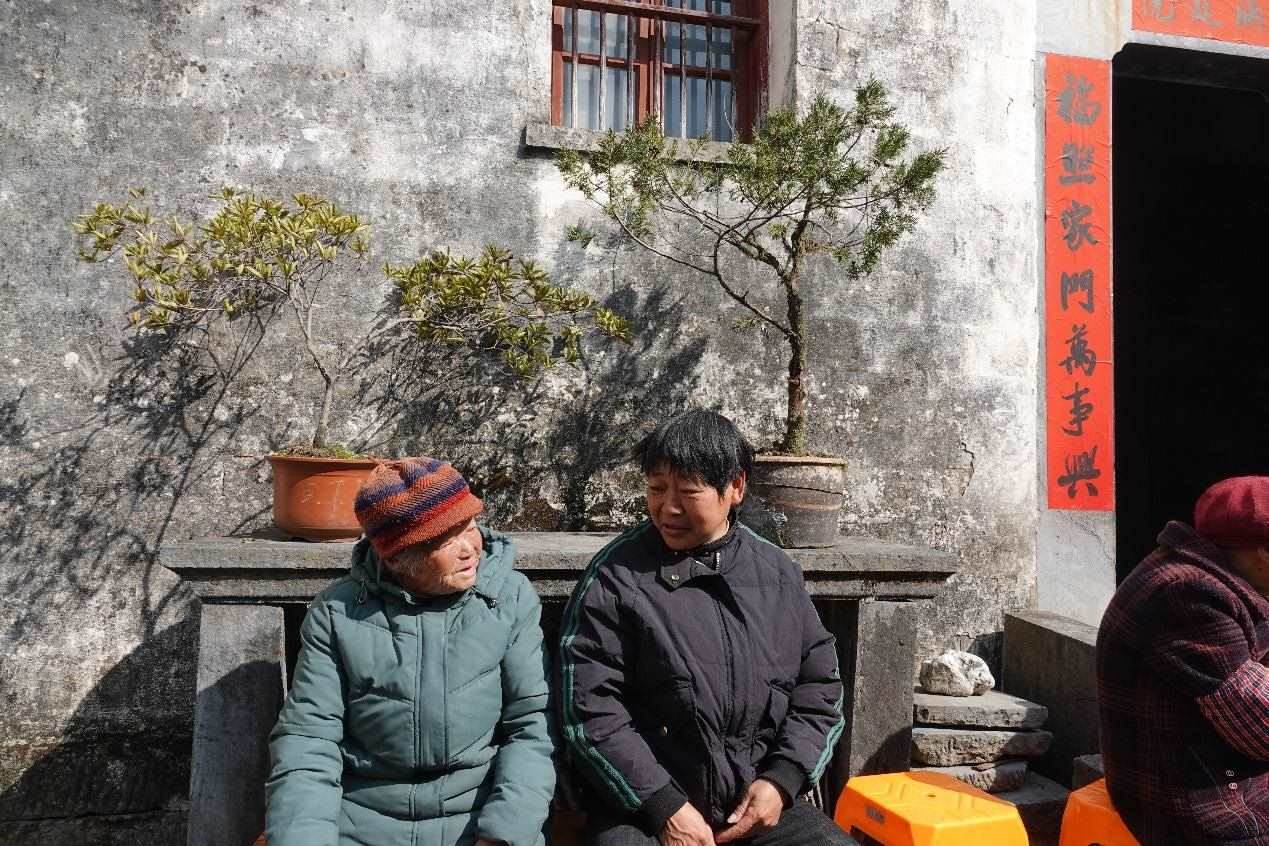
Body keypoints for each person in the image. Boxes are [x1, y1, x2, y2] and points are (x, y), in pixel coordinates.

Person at [557, 410, 856, 846]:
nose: (668, 507)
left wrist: (781, 781)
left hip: (754, 805)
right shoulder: (616, 577)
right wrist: (664, 807)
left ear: (735, 487)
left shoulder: (776, 572)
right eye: (657, 489)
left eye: (688, 492)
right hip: (644, 810)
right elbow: (590, 710)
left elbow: (820, 689)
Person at [265, 458, 555, 846]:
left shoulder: (510, 598)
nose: (469, 549)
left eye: (470, 527)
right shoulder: (337, 613)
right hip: (361, 824)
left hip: (476, 820)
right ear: (397, 557)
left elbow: (533, 724)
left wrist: (505, 832)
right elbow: (308, 739)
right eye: (446, 541)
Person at [1097, 475, 1269, 844]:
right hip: (1205, 805)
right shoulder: (1190, 594)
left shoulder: (1211, 573)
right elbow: (1262, 732)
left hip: (1216, 770)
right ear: (1264, 554)